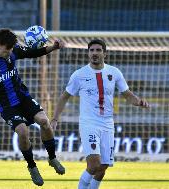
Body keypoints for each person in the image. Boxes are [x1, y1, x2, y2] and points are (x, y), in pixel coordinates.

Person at [51, 39, 150, 189]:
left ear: (105, 54)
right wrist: (55, 118)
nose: (94, 53)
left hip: (108, 124)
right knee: (93, 164)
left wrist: (139, 101)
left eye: (98, 50)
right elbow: (64, 96)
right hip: (89, 123)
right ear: (88, 53)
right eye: (91, 50)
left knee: (102, 168)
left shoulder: (114, 72)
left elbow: (127, 94)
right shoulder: (79, 75)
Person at [0, 28, 65, 186]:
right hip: (5, 104)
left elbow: (33, 53)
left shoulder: (13, 51)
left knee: (44, 122)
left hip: (23, 97)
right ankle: (32, 166)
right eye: (7, 49)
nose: (9, 53)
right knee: (22, 131)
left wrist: (53, 47)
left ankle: (52, 158)